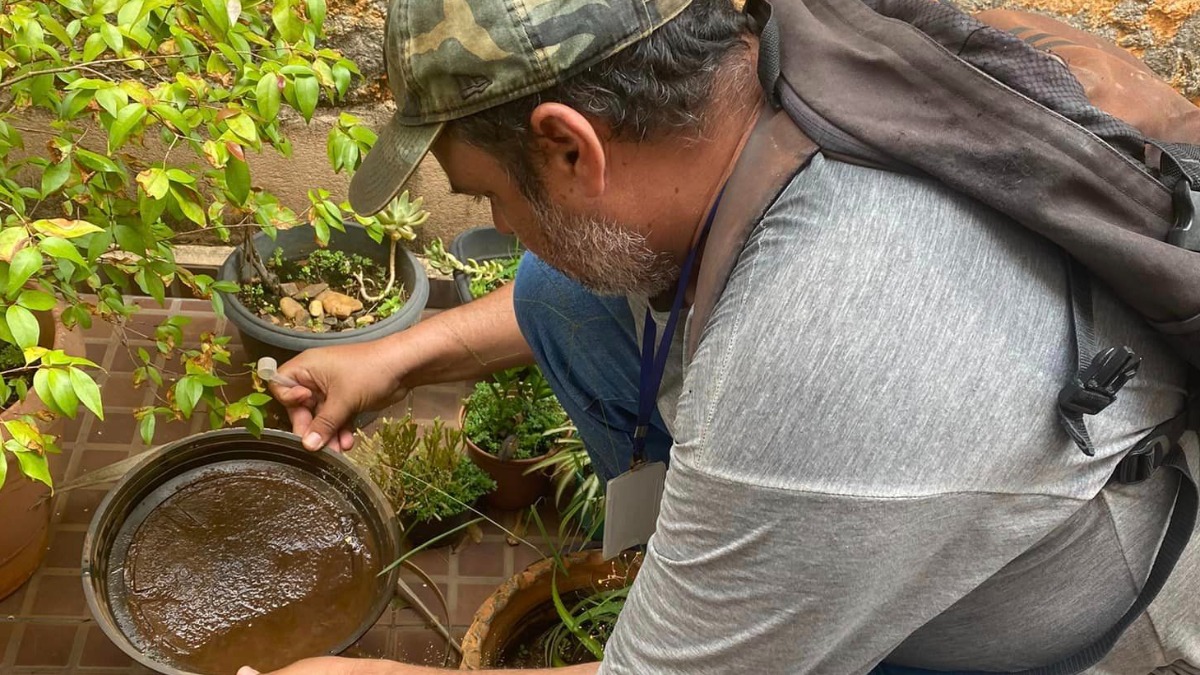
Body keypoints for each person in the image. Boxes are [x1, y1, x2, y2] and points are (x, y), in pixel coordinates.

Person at [249, 0, 1200, 673]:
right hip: (905, 459)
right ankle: (728, 553)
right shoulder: (775, 69)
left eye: (494, 198)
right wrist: (400, 355)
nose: (500, 220)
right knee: (559, 291)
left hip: (1047, 627)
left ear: (572, 147)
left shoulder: (817, 357)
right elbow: (590, 270)